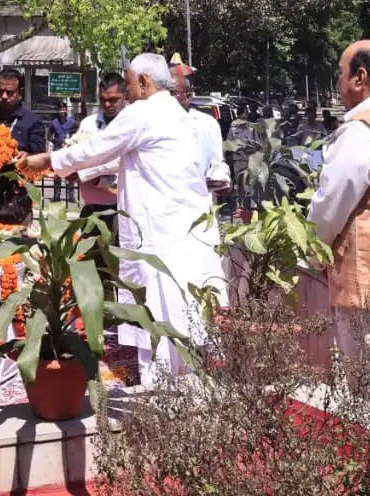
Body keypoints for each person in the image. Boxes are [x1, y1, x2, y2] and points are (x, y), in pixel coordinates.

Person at [18, 53, 226, 386]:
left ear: (144, 82)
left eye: (129, 84)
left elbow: (99, 149)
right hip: (183, 233)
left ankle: (164, 395)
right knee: (181, 318)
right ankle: (185, 391)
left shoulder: (145, 112)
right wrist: (79, 171)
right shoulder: (177, 115)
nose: (127, 93)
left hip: (162, 235)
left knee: (161, 316)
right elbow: (122, 160)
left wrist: (47, 160)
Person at [308, 40, 370, 364]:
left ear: (360, 78)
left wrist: (315, 254)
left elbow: (331, 205)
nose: (338, 85)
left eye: (340, 75)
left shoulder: (363, 129)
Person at [0, 70, 46, 224]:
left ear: (20, 93)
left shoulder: (33, 122)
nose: (4, 96)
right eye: (0, 91)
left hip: (17, 199)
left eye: (9, 92)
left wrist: (27, 156)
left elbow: (40, 156)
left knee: (18, 246)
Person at [71, 74, 126, 223]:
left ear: (124, 97)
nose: (107, 104)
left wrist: (96, 178)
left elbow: (121, 166)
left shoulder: (130, 127)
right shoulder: (88, 124)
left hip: (120, 210)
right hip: (90, 209)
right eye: (103, 99)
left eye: (113, 99)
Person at [170, 70, 231, 198]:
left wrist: (221, 180)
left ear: (188, 96)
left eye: (172, 93)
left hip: (198, 199)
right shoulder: (154, 123)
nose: (166, 98)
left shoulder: (207, 123)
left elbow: (217, 163)